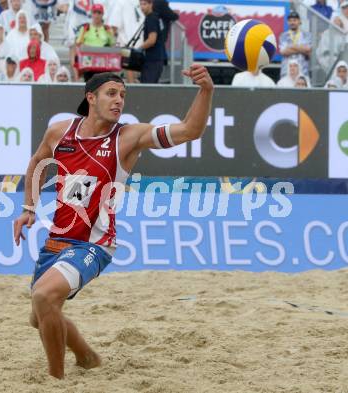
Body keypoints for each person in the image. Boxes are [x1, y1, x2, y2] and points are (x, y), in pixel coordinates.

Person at [13, 64, 213, 379]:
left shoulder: (128, 137)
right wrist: (29, 206)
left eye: (123, 94)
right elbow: (38, 161)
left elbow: (190, 130)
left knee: (43, 297)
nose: (119, 100)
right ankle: (86, 355)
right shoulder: (60, 132)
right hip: (57, 240)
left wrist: (206, 91)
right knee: (39, 317)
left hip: (94, 243)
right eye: (111, 93)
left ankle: (55, 379)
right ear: (90, 97)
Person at [279, 11, 312, 77]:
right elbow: (283, 52)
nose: (292, 22)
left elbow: (308, 51)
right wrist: (301, 48)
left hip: (303, 72)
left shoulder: (307, 35)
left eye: (294, 20)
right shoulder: (283, 36)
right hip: (286, 72)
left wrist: (290, 47)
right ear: (287, 22)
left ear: (299, 21)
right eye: (290, 21)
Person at [139, 0, 165, 83]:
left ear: (151, 4)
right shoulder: (154, 17)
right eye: (141, 4)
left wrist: (139, 49)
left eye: (144, 4)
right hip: (155, 59)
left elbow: (151, 40)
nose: (142, 7)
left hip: (153, 60)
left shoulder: (151, 18)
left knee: (147, 90)